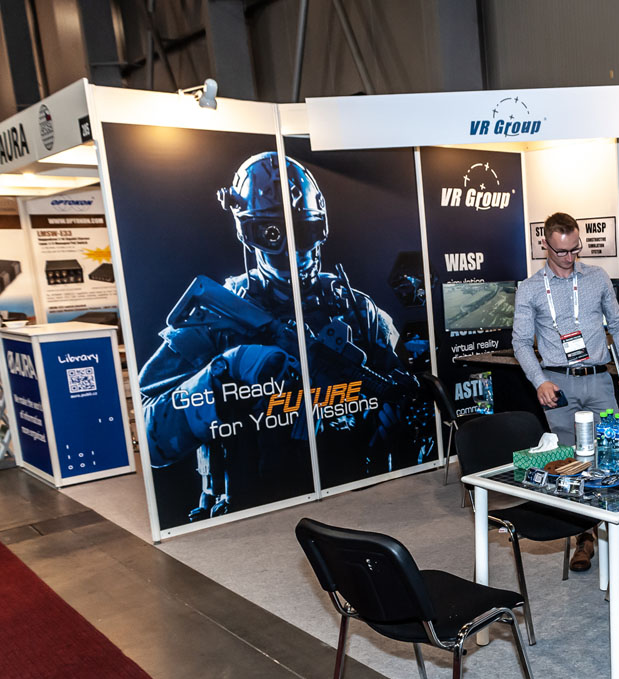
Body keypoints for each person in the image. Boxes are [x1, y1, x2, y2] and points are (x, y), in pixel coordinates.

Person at [139, 152, 432, 522]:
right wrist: (227, 368)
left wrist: (394, 421)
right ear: (249, 235)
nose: (295, 252)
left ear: (321, 228)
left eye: (304, 232)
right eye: (273, 235)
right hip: (248, 513)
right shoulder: (218, 316)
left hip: (352, 496)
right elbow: (150, 438)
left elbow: (399, 391)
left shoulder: (357, 310)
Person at [512, 212, 619, 570]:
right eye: (561, 251)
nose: (569, 257)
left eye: (574, 249)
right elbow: (520, 342)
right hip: (558, 383)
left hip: (598, 379)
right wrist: (539, 381)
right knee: (573, 464)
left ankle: (613, 526)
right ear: (545, 245)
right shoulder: (530, 288)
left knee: (612, 454)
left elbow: (618, 323)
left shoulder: (597, 278)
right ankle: (584, 537)